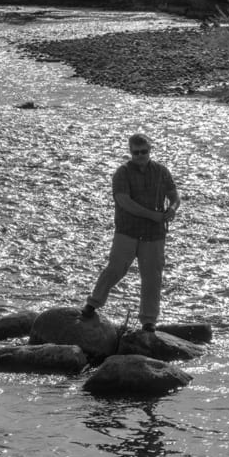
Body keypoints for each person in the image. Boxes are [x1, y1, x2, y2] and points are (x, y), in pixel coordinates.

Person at [82, 133, 180, 332]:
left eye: (144, 152)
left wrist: (172, 208)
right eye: (136, 153)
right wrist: (152, 215)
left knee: (152, 277)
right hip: (127, 231)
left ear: (149, 151)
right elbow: (124, 201)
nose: (140, 155)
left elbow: (174, 196)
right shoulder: (122, 173)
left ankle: (149, 321)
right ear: (130, 152)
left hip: (154, 235)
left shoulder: (162, 171)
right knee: (115, 269)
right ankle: (93, 304)